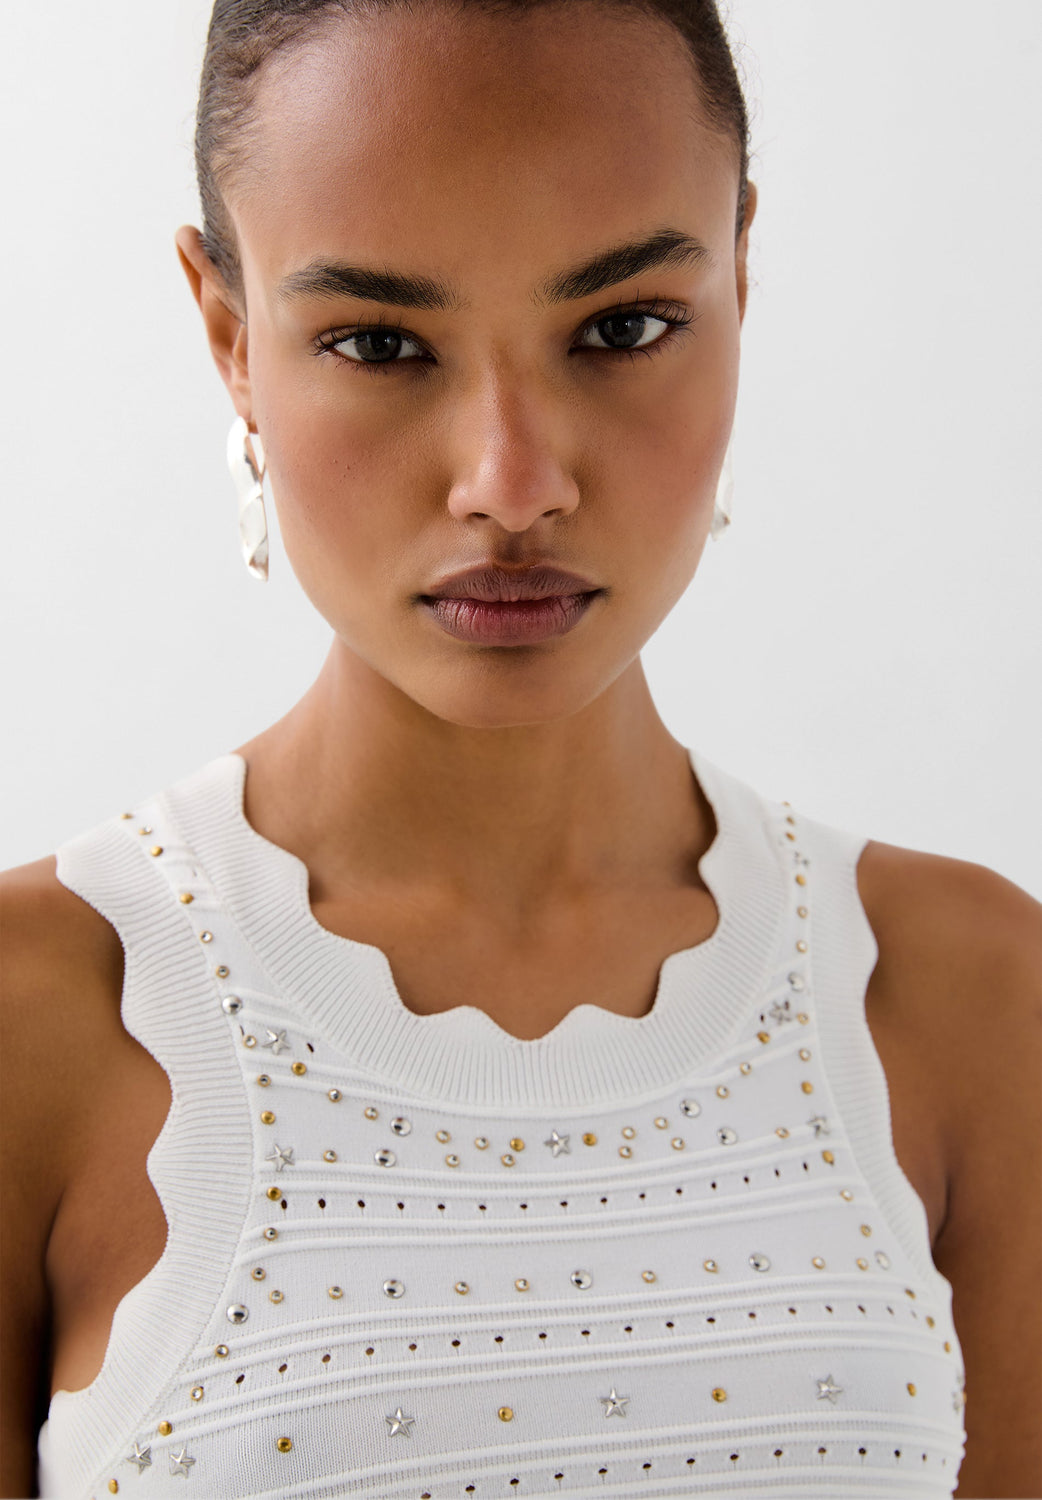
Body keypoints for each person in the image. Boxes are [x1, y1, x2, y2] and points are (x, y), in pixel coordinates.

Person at [2, 1, 1039, 1496]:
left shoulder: (970, 1001)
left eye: (622, 328)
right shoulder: (38, 1022)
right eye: (378, 343)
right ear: (229, 338)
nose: (512, 479)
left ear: (741, 275)